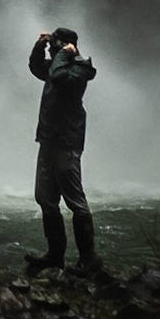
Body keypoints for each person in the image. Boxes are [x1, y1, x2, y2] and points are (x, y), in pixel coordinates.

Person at [26, 25, 102, 276]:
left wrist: (63, 53)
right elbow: (37, 67)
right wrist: (40, 45)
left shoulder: (80, 69)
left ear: (67, 47)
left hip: (66, 143)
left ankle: (88, 259)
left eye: (54, 46)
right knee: (45, 199)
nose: (52, 50)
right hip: (48, 141)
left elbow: (58, 76)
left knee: (75, 202)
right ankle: (55, 256)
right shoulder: (57, 64)